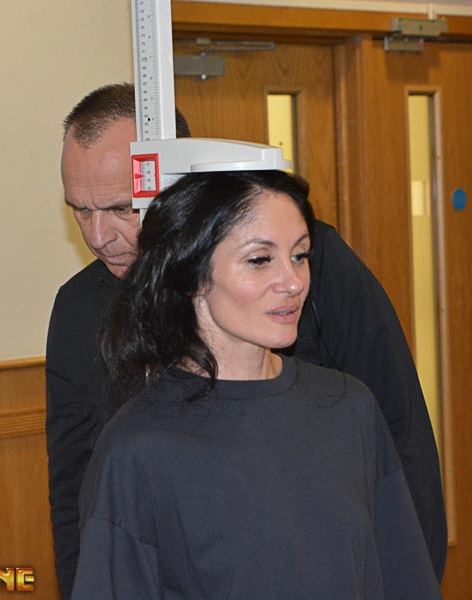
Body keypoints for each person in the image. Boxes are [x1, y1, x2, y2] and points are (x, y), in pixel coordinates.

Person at [47, 83, 446, 599]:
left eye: (121, 209)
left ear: (176, 191)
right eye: (81, 211)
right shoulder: (87, 325)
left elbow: (401, 440)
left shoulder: (317, 286)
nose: (98, 236)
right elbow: (75, 492)